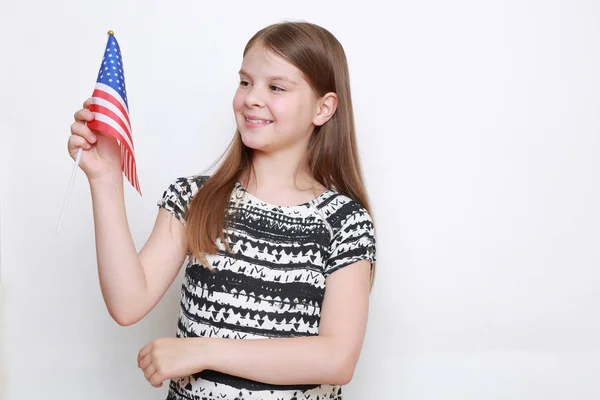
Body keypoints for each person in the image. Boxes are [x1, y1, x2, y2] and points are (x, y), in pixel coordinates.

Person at [68, 21, 377, 400]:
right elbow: (128, 302)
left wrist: (201, 350)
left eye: (275, 87)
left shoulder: (344, 222)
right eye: (245, 82)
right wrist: (105, 180)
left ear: (323, 108)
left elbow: (336, 358)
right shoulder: (195, 198)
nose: (251, 98)